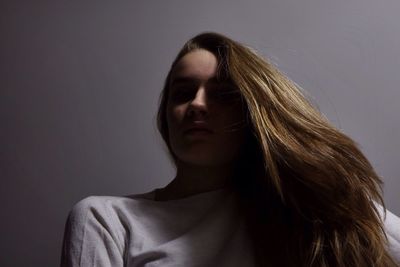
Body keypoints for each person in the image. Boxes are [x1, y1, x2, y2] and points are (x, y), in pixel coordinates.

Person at [61, 32, 400, 266]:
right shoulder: (106, 219)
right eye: (182, 93)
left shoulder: (299, 209)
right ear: (166, 116)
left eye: (222, 95)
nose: (196, 104)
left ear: (253, 114)